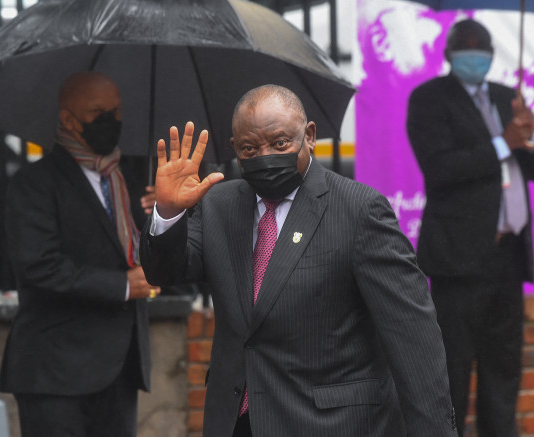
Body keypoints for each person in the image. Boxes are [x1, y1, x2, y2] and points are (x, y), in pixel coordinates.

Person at [140, 84, 458, 436]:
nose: (265, 156)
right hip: (236, 422)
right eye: (250, 148)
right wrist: (168, 213)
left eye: (279, 144)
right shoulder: (218, 205)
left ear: (309, 136)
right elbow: (164, 272)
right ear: (235, 149)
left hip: (329, 424)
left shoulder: (358, 211)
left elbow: (412, 337)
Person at [406, 19, 534, 437]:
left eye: (483, 48)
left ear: (492, 55)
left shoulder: (509, 99)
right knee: (452, 371)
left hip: (507, 259)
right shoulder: (430, 99)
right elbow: (441, 169)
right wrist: (504, 142)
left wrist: (531, 137)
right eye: (467, 48)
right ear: (450, 54)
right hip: (459, 261)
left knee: (503, 370)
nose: (476, 54)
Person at [0, 71, 161, 437]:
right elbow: (39, 266)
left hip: (120, 369)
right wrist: (121, 285)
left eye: (116, 111)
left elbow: (150, 261)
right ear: (68, 119)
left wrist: (163, 218)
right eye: (97, 111)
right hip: (56, 371)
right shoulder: (34, 184)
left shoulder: (129, 182)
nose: (111, 120)